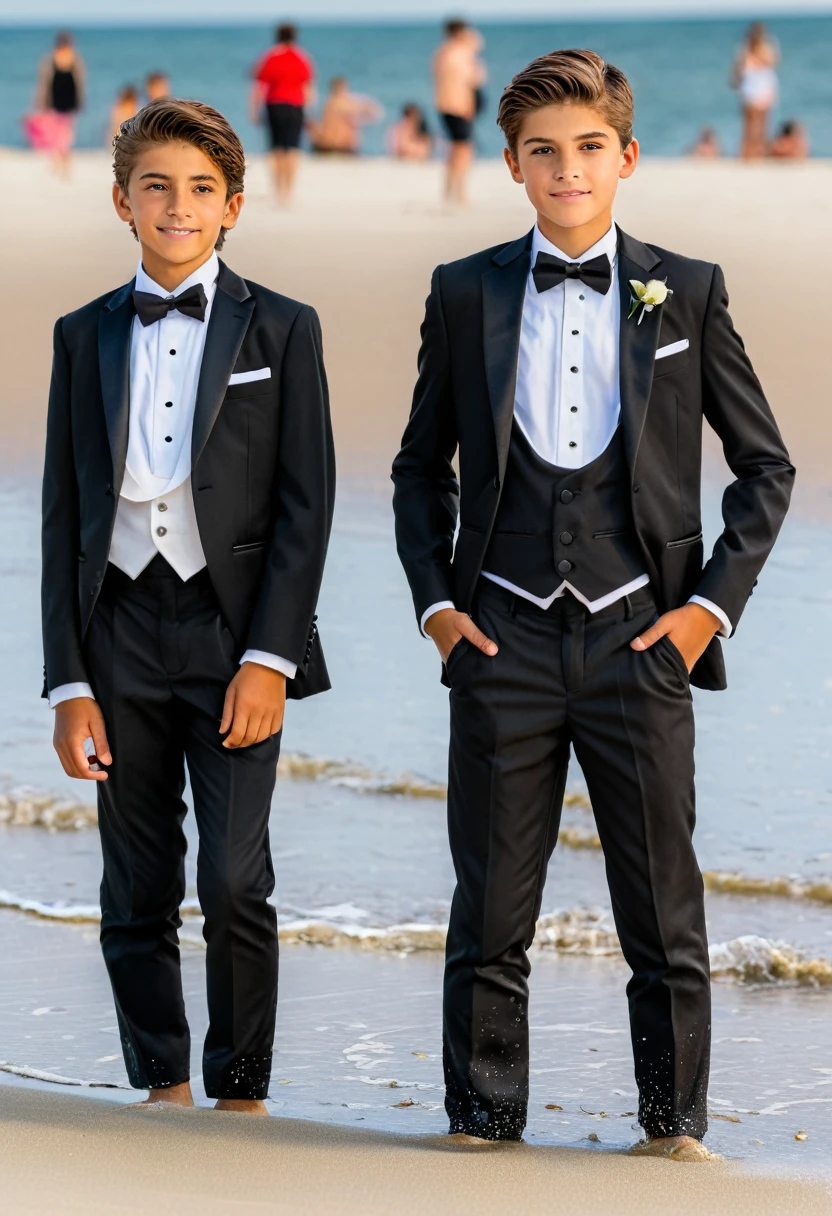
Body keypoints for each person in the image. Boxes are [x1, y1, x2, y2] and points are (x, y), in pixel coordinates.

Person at [392, 49, 793, 1158]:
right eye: (541, 153)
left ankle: (671, 1132)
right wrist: (435, 607)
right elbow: (419, 468)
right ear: (512, 165)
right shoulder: (464, 289)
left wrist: (708, 609)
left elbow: (765, 467)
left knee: (663, 909)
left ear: (624, 156)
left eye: (585, 149)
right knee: (489, 914)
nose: (565, 169)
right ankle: (480, 1130)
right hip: (500, 634)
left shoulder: (688, 289)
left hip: (641, 638)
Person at [42, 98, 334, 1115]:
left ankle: (241, 1089)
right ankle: (161, 1082)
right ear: (123, 200)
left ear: (234, 206)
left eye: (200, 188)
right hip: (115, 631)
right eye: (156, 186)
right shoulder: (82, 335)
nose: (177, 205)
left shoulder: (283, 328)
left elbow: (308, 508)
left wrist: (272, 658)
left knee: (234, 874)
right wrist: (67, 679)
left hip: (231, 632)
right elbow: (61, 515)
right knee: (135, 878)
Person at [251, 23, 315, 205]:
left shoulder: (270, 57)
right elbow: (308, 88)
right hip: (296, 105)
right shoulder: (302, 57)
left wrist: (255, 110)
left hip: (275, 105)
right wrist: (309, 113)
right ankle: (289, 190)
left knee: (276, 148)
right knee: (292, 149)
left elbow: (259, 87)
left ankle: (277, 189)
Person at [433, 18, 485, 205]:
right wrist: (467, 105)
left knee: (457, 149)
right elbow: (463, 82)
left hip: (451, 106)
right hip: (458, 106)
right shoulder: (456, 53)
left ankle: (450, 191)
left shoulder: (445, 52)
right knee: (463, 150)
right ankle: (459, 192)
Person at [30, 30, 86, 177]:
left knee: (64, 135)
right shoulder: (50, 60)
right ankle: (58, 162)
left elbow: (80, 83)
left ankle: (64, 163)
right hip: (53, 102)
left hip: (68, 102)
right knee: (55, 134)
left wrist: (80, 101)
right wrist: (39, 102)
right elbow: (44, 84)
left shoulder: (75, 61)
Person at [731, 22, 779, 160]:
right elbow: (739, 70)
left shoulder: (766, 48)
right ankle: (748, 153)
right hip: (751, 89)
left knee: (762, 124)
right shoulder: (745, 50)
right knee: (750, 125)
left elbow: (773, 62)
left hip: (762, 88)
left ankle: (757, 152)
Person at [307, 77, 382, 155]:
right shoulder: (339, 102)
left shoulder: (329, 102)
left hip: (327, 146)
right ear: (343, 89)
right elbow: (372, 110)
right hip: (337, 147)